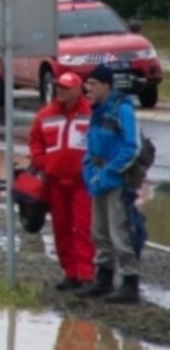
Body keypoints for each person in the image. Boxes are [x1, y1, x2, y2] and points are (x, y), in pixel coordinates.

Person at [76, 64, 145, 304]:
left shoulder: (123, 110)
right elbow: (90, 144)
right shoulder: (96, 110)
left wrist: (110, 171)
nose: (88, 89)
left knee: (120, 232)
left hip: (117, 181)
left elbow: (132, 147)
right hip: (98, 179)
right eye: (87, 84)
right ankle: (103, 279)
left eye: (93, 84)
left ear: (107, 85)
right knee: (99, 232)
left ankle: (129, 282)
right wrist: (89, 170)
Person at [27, 71, 94, 290]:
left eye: (65, 88)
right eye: (59, 87)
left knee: (83, 228)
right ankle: (70, 273)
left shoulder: (90, 113)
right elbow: (36, 141)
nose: (60, 91)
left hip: (83, 182)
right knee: (61, 228)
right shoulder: (45, 115)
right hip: (55, 182)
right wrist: (43, 162)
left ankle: (86, 274)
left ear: (77, 90)